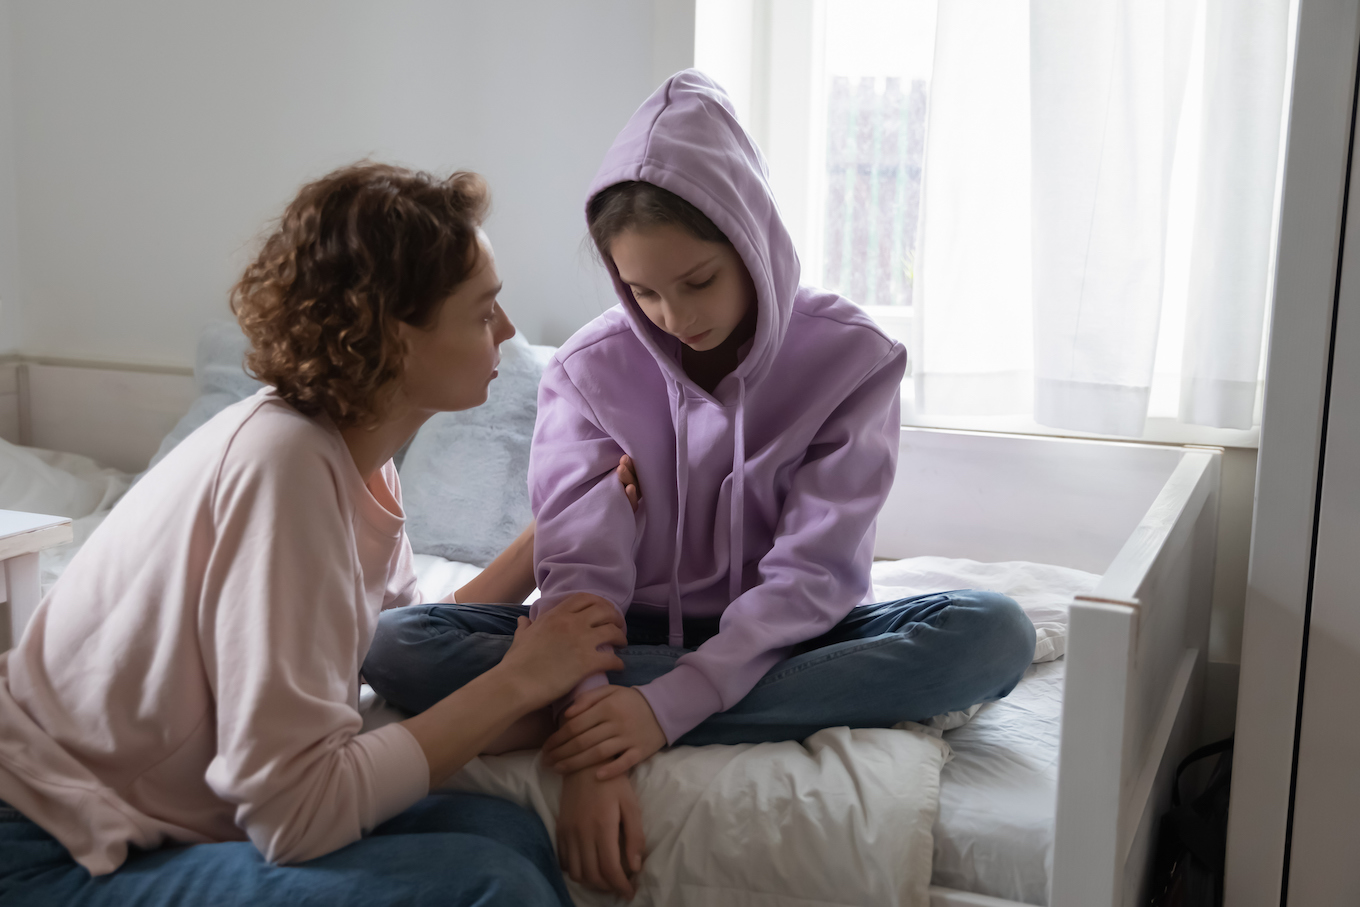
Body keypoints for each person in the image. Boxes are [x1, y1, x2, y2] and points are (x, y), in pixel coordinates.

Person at [362, 70, 1037, 899]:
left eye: (698, 282)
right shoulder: (586, 371)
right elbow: (579, 574)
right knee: (399, 644)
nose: (675, 318)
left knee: (992, 632)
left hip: (788, 638)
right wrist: (594, 708)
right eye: (642, 292)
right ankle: (594, 712)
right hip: (610, 636)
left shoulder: (851, 359)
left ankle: (563, 719)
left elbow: (814, 575)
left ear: (750, 239)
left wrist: (660, 710)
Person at [0, 162, 630, 907]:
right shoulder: (284, 465)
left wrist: (553, 535)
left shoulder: (355, 465)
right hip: (51, 847)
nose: (507, 330)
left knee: (509, 832)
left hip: (155, 820)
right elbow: (294, 816)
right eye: (482, 309)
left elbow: (398, 647)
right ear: (396, 335)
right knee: (488, 885)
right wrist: (518, 679)